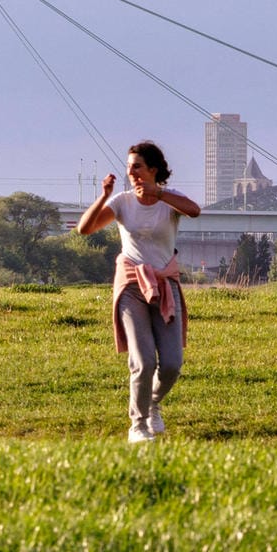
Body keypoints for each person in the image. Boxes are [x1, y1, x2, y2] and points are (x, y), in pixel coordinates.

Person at [76, 141, 202, 443]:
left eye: (137, 166)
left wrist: (159, 194)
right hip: (132, 283)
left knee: (171, 363)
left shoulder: (170, 200)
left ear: (152, 170)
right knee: (143, 361)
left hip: (164, 284)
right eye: (129, 167)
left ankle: (152, 403)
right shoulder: (122, 202)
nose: (130, 172)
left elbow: (194, 210)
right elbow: (84, 229)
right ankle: (138, 424)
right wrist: (104, 196)